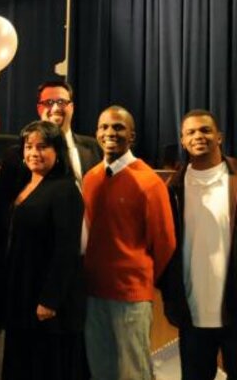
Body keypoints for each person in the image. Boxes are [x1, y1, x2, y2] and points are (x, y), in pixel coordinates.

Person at [82, 105, 175, 379]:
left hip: (131, 298)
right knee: (101, 371)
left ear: (132, 136)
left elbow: (165, 243)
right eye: (104, 127)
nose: (110, 132)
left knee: (134, 373)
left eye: (118, 127)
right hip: (93, 294)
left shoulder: (149, 182)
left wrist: (138, 278)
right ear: (96, 133)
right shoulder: (91, 178)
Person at [0, 121, 86, 379]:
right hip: (21, 294)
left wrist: (50, 299)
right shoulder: (23, 184)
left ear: (58, 151)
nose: (34, 152)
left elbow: (66, 249)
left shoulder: (65, 189)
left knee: (44, 368)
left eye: (42, 147)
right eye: (29, 146)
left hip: (46, 303)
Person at [159, 109, 237, 379]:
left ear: (219, 137)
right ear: (182, 141)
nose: (198, 136)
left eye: (205, 130)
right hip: (192, 315)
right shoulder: (172, 189)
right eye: (190, 132)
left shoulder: (235, 179)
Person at [0, 80, 100, 205]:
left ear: (72, 107)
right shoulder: (15, 155)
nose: (56, 108)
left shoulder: (94, 147)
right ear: (39, 108)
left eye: (62, 102)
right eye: (48, 103)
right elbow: (5, 203)